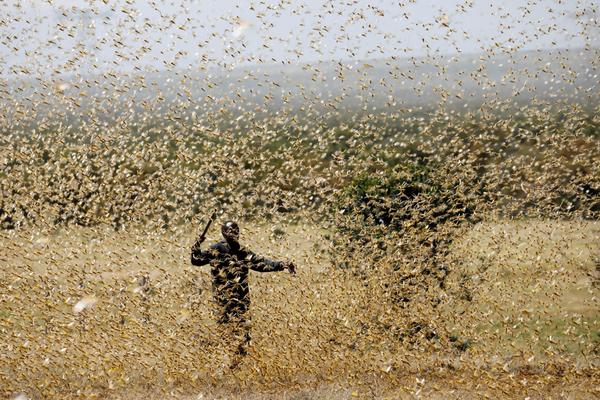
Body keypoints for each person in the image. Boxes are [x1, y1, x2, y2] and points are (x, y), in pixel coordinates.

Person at [190, 220, 295, 367]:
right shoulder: (216, 249)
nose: (233, 232)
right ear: (223, 233)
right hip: (223, 300)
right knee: (226, 332)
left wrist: (281, 265)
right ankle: (223, 363)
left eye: (236, 229)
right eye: (230, 230)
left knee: (245, 335)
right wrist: (196, 245)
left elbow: (261, 264)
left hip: (242, 300)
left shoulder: (243, 252)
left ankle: (236, 366)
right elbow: (196, 261)